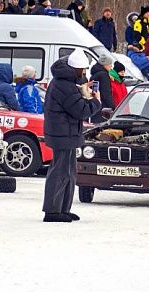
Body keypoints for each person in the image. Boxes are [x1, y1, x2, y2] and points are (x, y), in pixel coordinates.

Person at [41, 49, 101, 222]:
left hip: (64, 133)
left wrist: (82, 90)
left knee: (68, 172)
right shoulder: (65, 86)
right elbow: (81, 111)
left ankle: (62, 208)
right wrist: (96, 101)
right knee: (60, 172)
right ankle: (53, 211)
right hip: (63, 134)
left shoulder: (63, 81)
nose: (84, 73)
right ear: (77, 69)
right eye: (83, 70)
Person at [89, 55, 115, 122]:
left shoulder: (94, 74)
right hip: (103, 109)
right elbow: (106, 93)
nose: (111, 66)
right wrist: (112, 107)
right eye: (110, 64)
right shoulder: (104, 75)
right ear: (105, 64)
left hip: (95, 106)